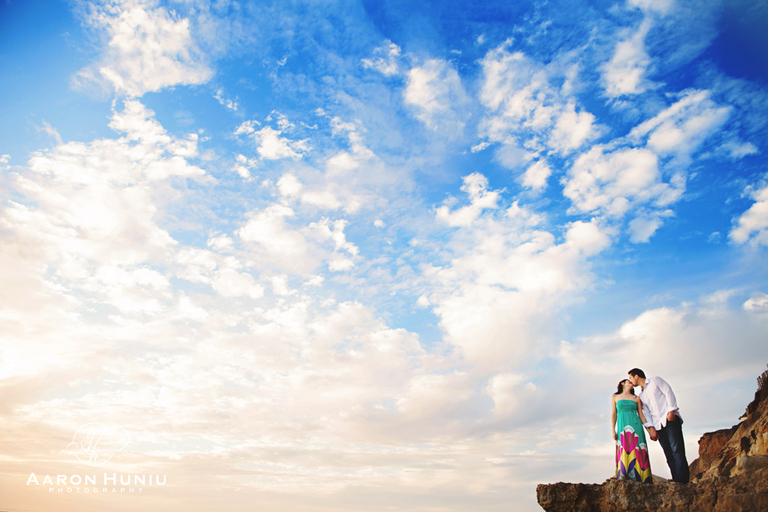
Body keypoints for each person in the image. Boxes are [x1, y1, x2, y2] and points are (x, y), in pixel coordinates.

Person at [628, 368, 689, 483]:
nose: (630, 381)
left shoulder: (655, 381)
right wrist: (651, 429)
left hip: (669, 419)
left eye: (630, 378)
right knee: (668, 453)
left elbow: (668, 392)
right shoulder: (641, 396)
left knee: (677, 450)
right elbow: (646, 413)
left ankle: (683, 481)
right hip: (658, 426)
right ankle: (676, 480)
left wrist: (671, 411)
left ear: (636, 376)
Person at [612, 379, 653, 483]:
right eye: (628, 381)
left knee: (638, 450)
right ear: (622, 383)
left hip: (636, 427)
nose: (631, 382)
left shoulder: (636, 398)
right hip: (622, 427)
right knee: (624, 449)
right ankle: (624, 477)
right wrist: (613, 430)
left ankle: (642, 478)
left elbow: (642, 416)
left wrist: (650, 431)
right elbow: (614, 414)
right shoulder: (615, 397)